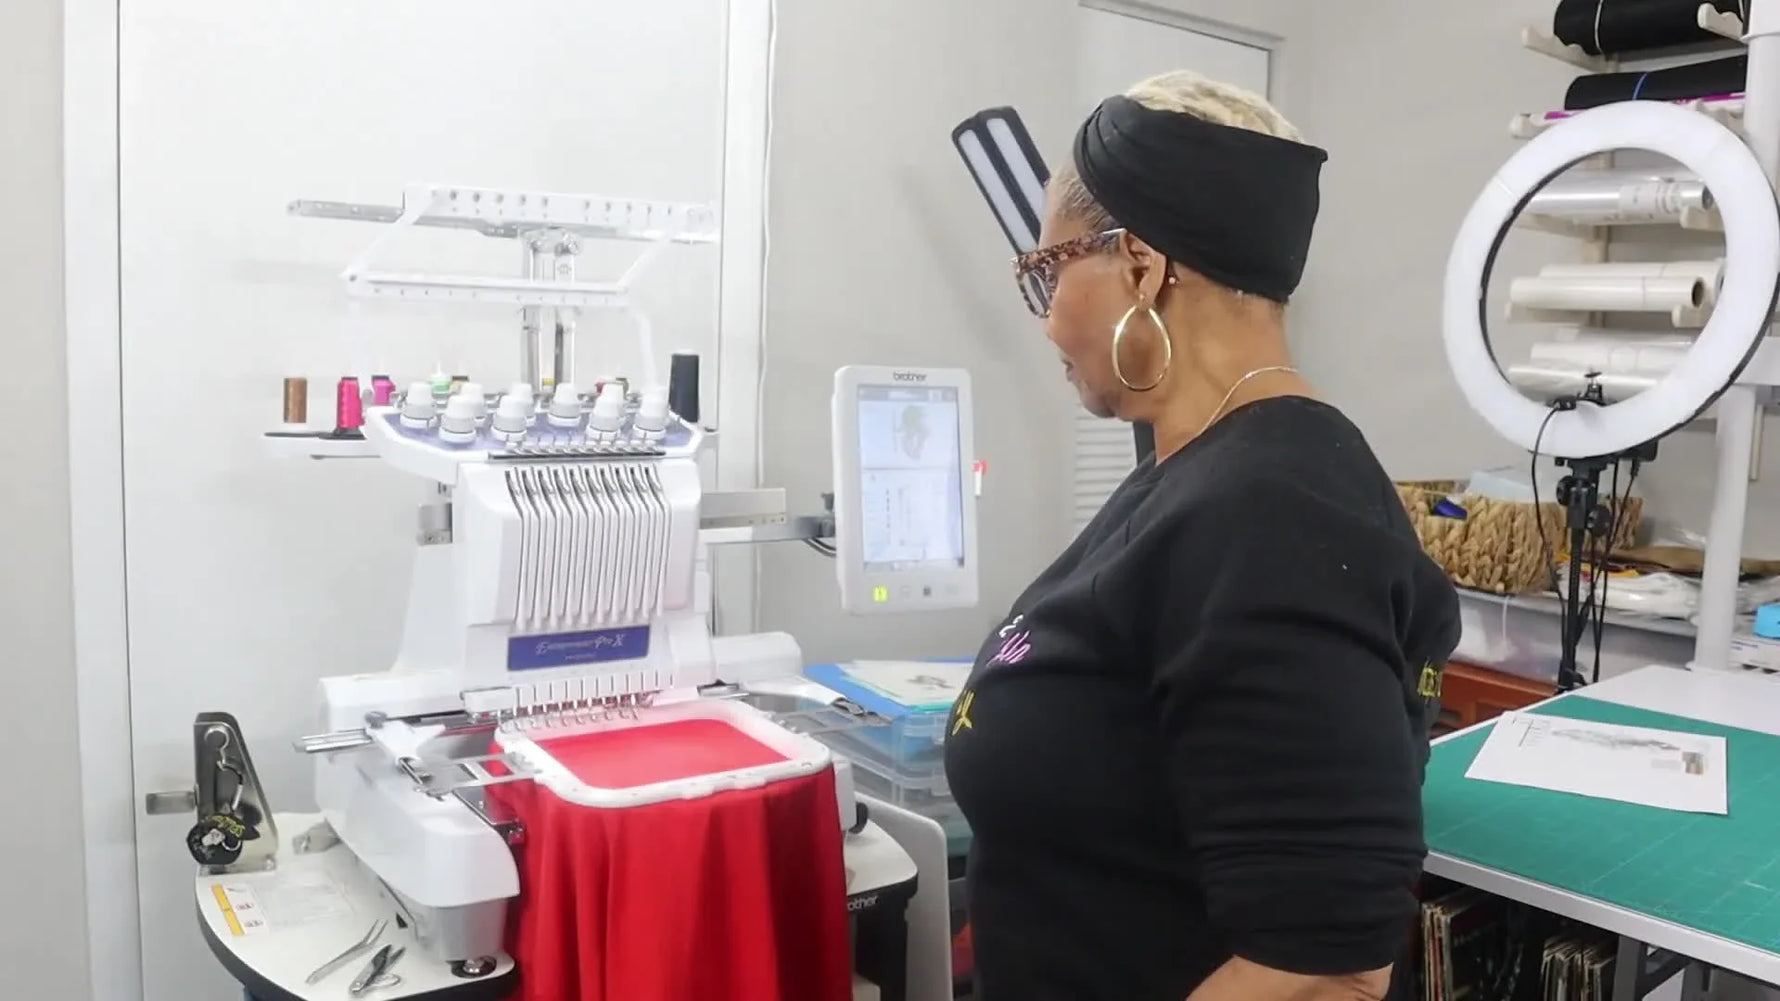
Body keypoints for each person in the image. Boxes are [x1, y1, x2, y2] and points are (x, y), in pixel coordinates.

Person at [942, 70, 1462, 1001]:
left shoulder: (1270, 516)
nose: (1048, 320)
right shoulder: (1203, 475)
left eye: (1048, 271)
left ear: (1141, 266)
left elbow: (1326, 968)